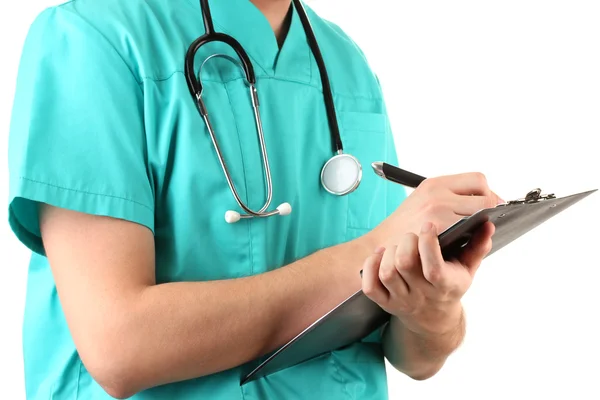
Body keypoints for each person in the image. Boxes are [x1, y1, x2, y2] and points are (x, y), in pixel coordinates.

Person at [7, 0, 501, 399]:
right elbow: (119, 348)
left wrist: (432, 306)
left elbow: (410, 354)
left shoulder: (344, 63)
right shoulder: (94, 38)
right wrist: (368, 251)